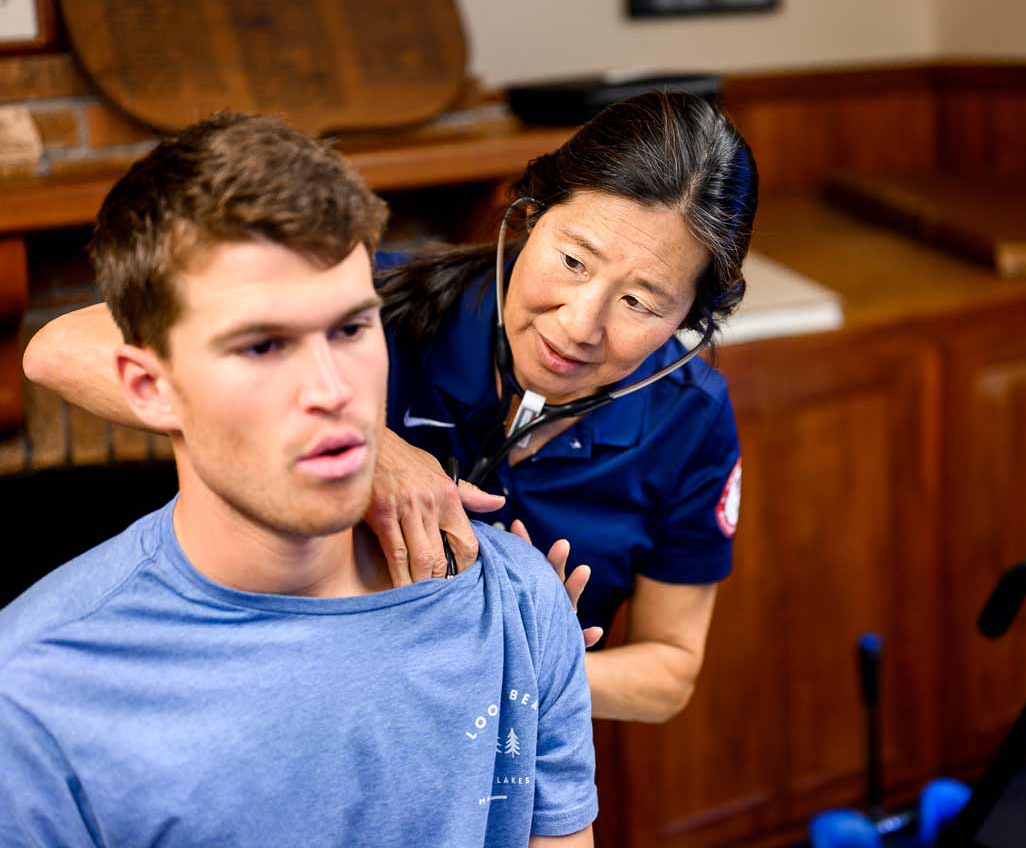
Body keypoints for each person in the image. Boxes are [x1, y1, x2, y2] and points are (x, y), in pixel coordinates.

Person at [24, 91, 760, 724]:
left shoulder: (690, 418)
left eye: (640, 302)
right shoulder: (372, 305)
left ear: (689, 317)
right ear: (530, 217)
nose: (579, 324)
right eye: (572, 261)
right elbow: (60, 348)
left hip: (509, 738)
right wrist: (370, 444)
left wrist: (509, 662)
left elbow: (668, 672)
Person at [1, 113, 597, 847]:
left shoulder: (517, 605)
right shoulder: (35, 697)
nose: (332, 390)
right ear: (149, 387)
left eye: (350, 329)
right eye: (262, 346)